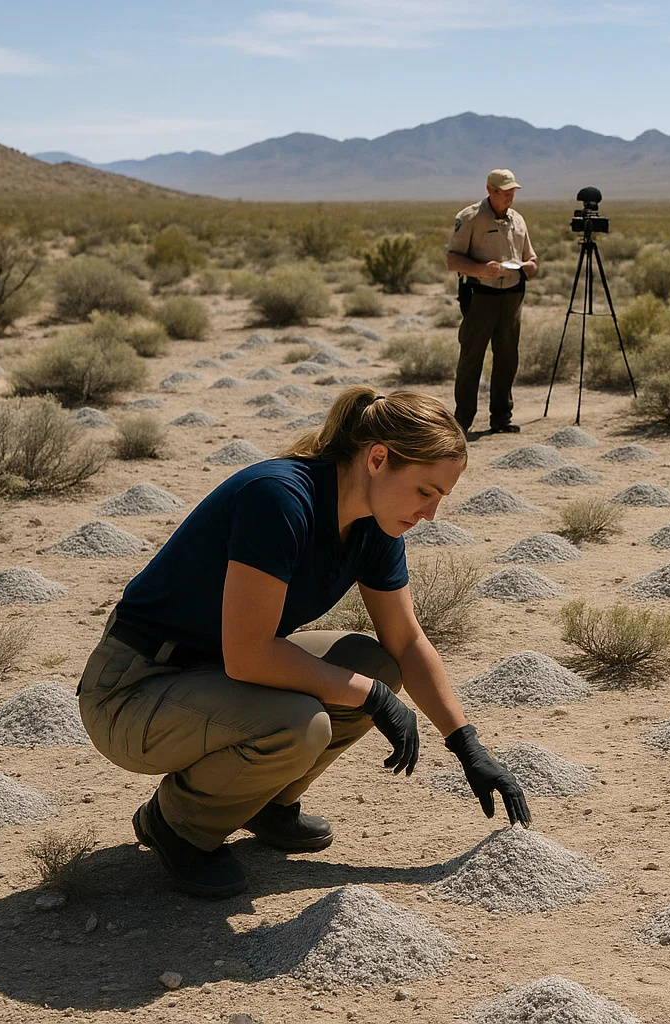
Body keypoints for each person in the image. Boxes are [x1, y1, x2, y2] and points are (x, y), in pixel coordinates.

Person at [78, 386, 532, 898]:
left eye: (440, 498)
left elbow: (406, 642)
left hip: (213, 676)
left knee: (373, 663)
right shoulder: (278, 498)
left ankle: (267, 804)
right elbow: (249, 654)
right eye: (425, 492)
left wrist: (466, 743)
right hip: (134, 689)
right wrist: (369, 697)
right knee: (302, 721)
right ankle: (177, 825)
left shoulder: (376, 528)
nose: (430, 514)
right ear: (378, 459)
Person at [446, 169, 539, 438]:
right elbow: (453, 259)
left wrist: (527, 267)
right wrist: (481, 269)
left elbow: (532, 260)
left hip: (511, 298)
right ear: (490, 190)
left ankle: (501, 418)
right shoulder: (470, 218)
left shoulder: (518, 220)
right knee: (471, 359)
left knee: (508, 359)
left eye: (512, 192)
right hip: (480, 298)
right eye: (504, 192)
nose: (510, 197)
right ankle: (461, 421)